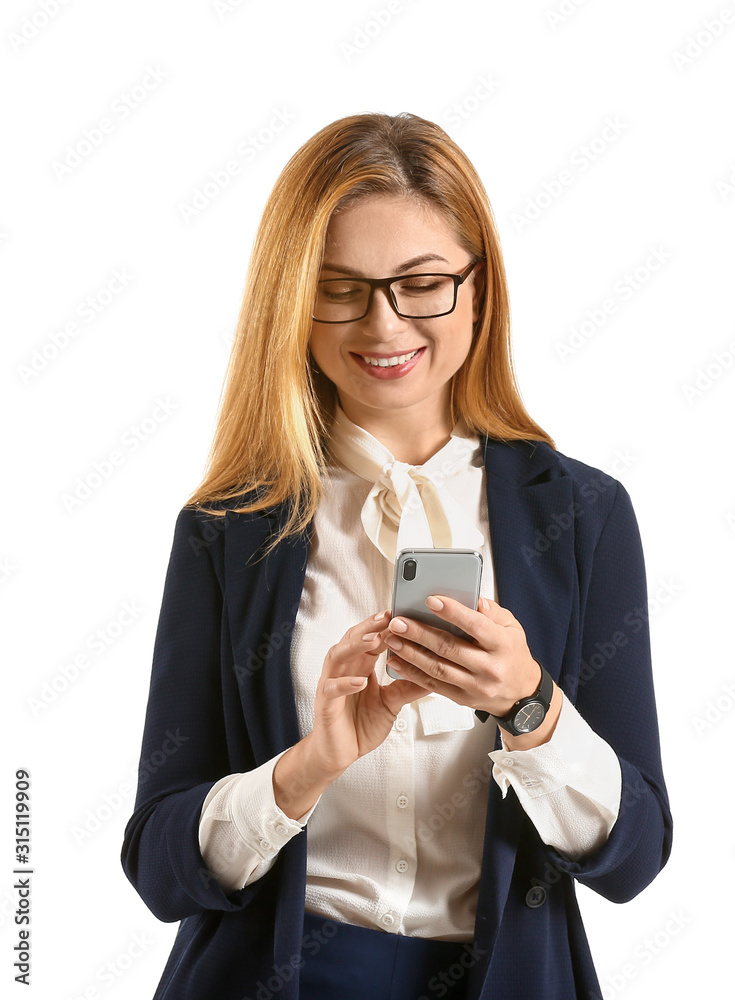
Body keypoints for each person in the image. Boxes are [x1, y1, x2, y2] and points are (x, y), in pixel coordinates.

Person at [121, 111, 672, 1000]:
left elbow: (635, 856)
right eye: (340, 287)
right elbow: (156, 863)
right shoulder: (230, 527)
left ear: (479, 290)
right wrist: (308, 766)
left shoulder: (584, 515)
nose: (383, 326)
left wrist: (529, 705)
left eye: (422, 284)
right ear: (292, 300)